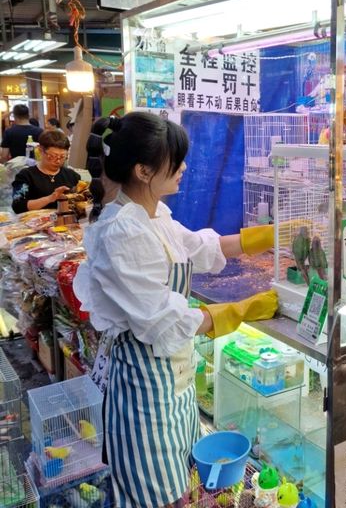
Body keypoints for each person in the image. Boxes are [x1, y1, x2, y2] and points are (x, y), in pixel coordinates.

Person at [73, 112, 278, 507]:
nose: (184, 168)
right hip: (144, 392)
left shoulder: (152, 216)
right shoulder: (122, 233)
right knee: (160, 498)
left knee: (182, 485)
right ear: (143, 170)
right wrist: (241, 311)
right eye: (175, 160)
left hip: (175, 383)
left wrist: (267, 236)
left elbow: (201, 248)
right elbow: (165, 323)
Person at [11, 130, 80, 213]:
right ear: (40, 150)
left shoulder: (72, 176)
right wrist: (50, 198)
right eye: (52, 156)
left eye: (62, 157)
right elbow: (18, 206)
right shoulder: (26, 176)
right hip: (34, 223)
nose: (58, 161)